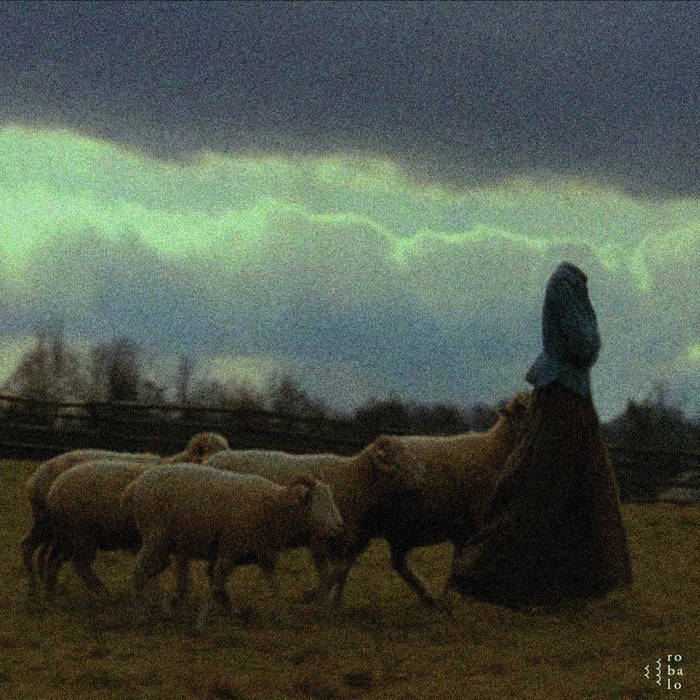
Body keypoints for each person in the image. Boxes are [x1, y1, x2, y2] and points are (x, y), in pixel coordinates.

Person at [449, 262, 633, 608]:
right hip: (563, 395)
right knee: (541, 490)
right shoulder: (564, 284)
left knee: (582, 491)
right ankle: (489, 577)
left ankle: (570, 587)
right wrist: (592, 338)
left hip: (573, 396)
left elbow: (588, 345)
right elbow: (585, 345)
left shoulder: (571, 284)